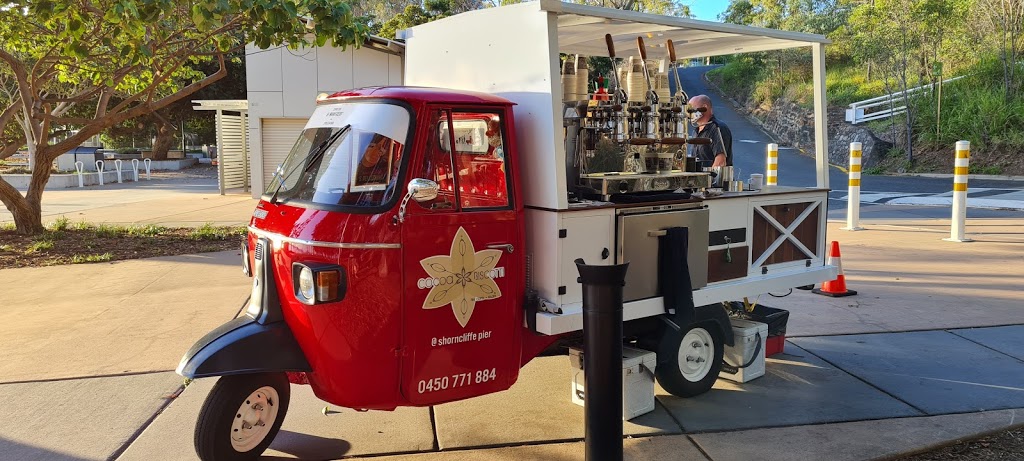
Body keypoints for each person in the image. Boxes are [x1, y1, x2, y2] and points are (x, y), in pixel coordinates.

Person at [687, 95, 733, 167]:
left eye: (692, 109)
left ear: (704, 107)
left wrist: (709, 177)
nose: (689, 114)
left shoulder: (717, 128)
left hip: (713, 177)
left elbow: (720, 162)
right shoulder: (696, 131)